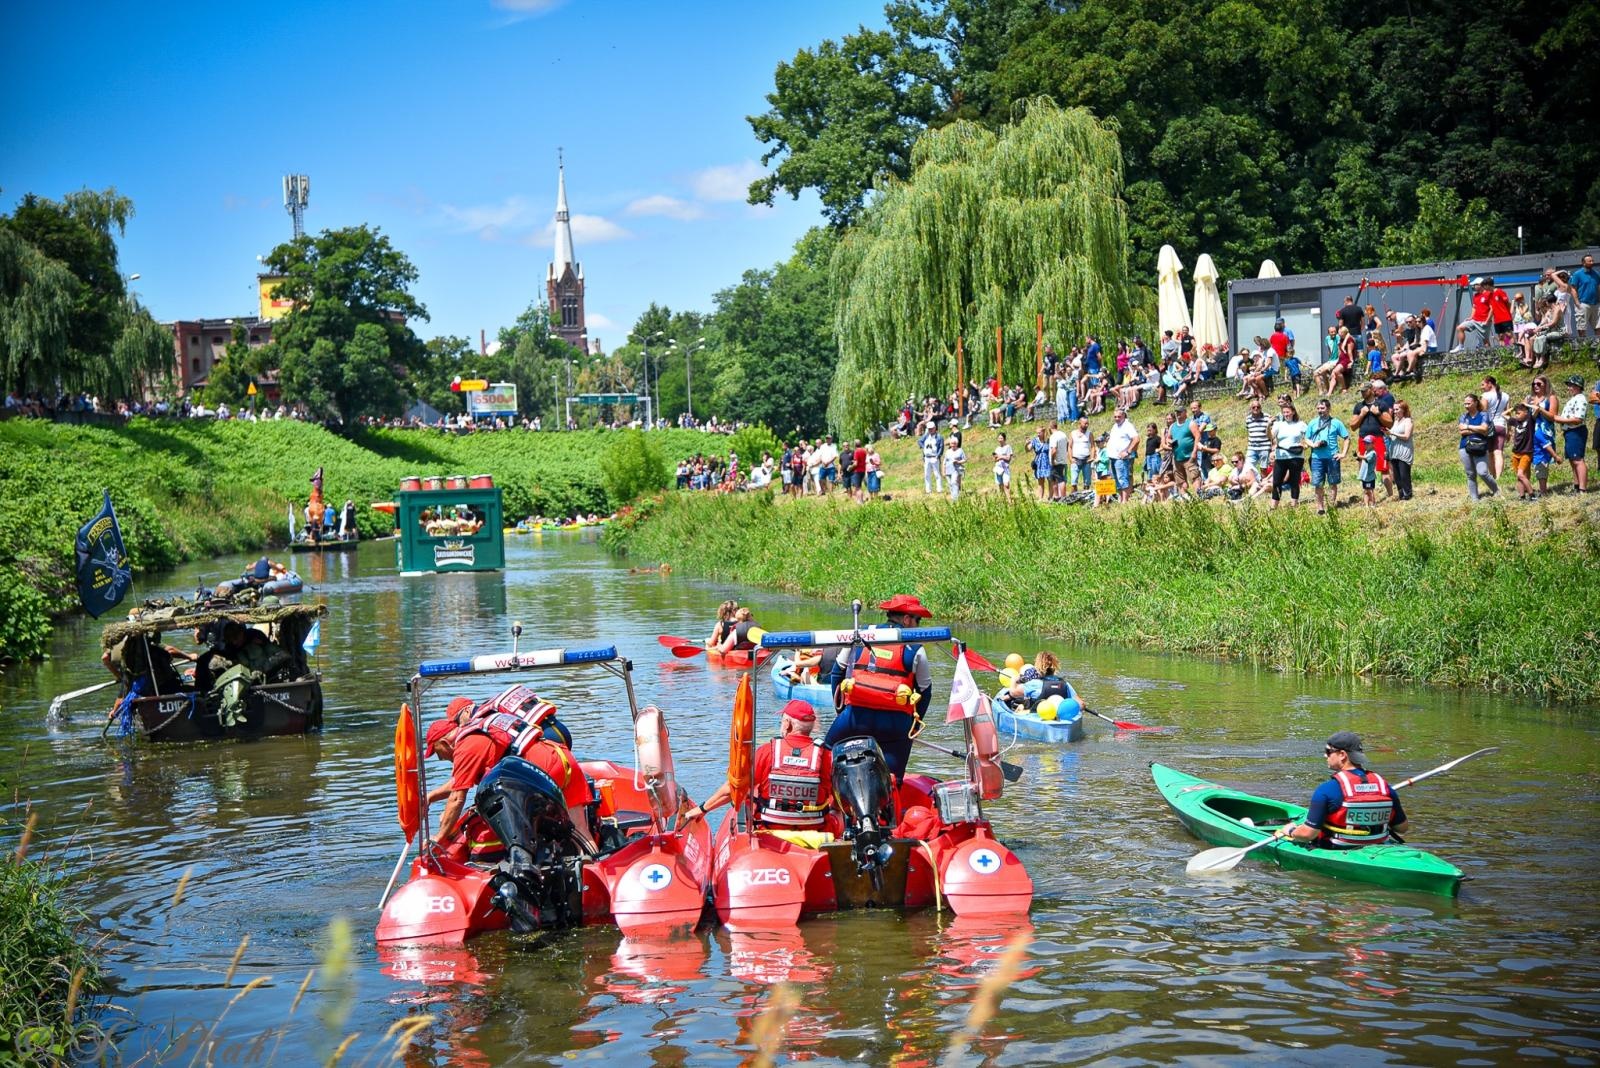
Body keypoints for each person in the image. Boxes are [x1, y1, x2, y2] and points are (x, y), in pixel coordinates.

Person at [423, 689, 591, 857]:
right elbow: (459, 781)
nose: (441, 759)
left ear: (445, 743)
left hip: (542, 771)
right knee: (582, 832)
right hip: (562, 757)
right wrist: (431, 797)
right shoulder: (481, 728)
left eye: (438, 754)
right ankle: (593, 868)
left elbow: (457, 797)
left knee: (524, 830)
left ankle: (533, 874)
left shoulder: (466, 746)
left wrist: (439, 837)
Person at [825, 594, 935, 780]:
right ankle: (893, 797)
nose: (919, 625)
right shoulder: (916, 648)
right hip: (895, 723)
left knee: (827, 751)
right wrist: (913, 727)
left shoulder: (860, 634)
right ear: (907, 619)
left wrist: (841, 710)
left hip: (854, 718)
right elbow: (925, 691)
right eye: (918, 620)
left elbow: (837, 672)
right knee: (893, 779)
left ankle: (828, 794)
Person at [683, 699, 835, 830]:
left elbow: (734, 788)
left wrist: (702, 809)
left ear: (788, 724)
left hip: (769, 829)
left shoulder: (767, 751)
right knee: (837, 811)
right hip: (816, 831)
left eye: (782, 720)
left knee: (752, 794)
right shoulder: (827, 755)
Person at [1286, 731, 1408, 849]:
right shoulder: (1384, 786)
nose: (1325, 755)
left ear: (1342, 755)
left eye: (1328, 751)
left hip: (1337, 847)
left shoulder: (1326, 789)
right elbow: (1402, 828)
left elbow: (1308, 834)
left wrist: (1291, 831)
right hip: (1379, 844)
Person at [1305, 397, 1350, 515]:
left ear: (1328, 408)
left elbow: (1346, 438)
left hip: (1332, 457)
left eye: (1323, 408)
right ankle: (1320, 508)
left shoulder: (1336, 422)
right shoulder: (1313, 422)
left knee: (1333, 482)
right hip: (1317, 458)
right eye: (1318, 408)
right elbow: (1306, 438)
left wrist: (1343, 454)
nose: (1320, 410)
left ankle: (1331, 505)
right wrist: (1313, 445)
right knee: (1318, 483)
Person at [1458, 393, 1498, 501]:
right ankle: (1474, 499)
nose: (1466, 406)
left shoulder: (1484, 415)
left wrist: (1468, 427)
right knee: (1470, 474)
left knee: (1483, 472)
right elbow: (1462, 431)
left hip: (1480, 446)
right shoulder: (1463, 416)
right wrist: (1477, 429)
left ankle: (1496, 491)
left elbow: (1484, 429)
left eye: (1468, 403)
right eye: (1465, 403)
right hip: (1464, 447)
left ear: (1475, 403)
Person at [1268, 400, 1308, 508]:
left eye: (1288, 412)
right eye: (1284, 412)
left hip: (1296, 457)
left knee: (1294, 481)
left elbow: (1308, 438)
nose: (1286, 414)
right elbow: (1270, 437)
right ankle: (1273, 506)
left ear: (1293, 412)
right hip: (1281, 457)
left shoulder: (1301, 424)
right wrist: (1268, 426)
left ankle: (1294, 505)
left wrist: (1305, 444)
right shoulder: (1278, 425)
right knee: (1277, 482)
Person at [1555, 375, 1590, 492]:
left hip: (1576, 431)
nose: (1569, 388)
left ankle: (1582, 489)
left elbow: (1578, 419)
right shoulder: (1574, 399)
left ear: (1578, 386)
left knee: (1578, 460)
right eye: (1569, 385)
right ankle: (1577, 485)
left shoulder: (1581, 399)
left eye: (1571, 385)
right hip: (1570, 432)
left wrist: (1559, 419)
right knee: (1572, 459)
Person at [1106, 408, 1140, 503]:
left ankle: (1125, 500)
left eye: (1119, 416)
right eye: (1115, 417)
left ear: (1124, 416)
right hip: (1113, 457)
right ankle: (1121, 499)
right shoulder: (1115, 426)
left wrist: (1128, 451)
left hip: (1121, 458)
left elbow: (1136, 439)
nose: (1117, 418)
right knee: (1116, 479)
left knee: (1122, 479)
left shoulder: (1127, 426)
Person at [1388, 400, 1415, 501]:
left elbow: (1406, 436)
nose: (1394, 411)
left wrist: (1393, 433)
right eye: (1394, 409)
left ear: (1403, 409)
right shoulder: (1396, 421)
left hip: (1404, 451)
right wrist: (1388, 433)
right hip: (1395, 452)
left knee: (1404, 475)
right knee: (1397, 476)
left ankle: (1408, 494)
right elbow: (1393, 434)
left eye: (1397, 409)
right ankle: (1401, 495)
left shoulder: (1408, 421)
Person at [919, 422, 944, 494]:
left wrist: (938, 455)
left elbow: (941, 447)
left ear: (935, 428)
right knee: (927, 474)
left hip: (934, 457)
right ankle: (928, 490)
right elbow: (920, 441)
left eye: (931, 428)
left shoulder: (939, 437)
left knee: (937, 474)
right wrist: (924, 448)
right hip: (927, 458)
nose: (930, 430)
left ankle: (939, 490)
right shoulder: (926, 436)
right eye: (929, 429)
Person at [992, 432, 1013, 500]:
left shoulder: (1008, 447)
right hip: (998, 469)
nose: (1000, 439)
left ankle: (1010, 501)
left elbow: (1008, 458)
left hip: (1005, 469)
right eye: (999, 438)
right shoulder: (997, 448)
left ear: (1004, 439)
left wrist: (1000, 457)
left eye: (1001, 438)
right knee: (1000, 486)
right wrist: (996, 458)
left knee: (1006, 485)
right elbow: (995, 459)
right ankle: (1003, 501)